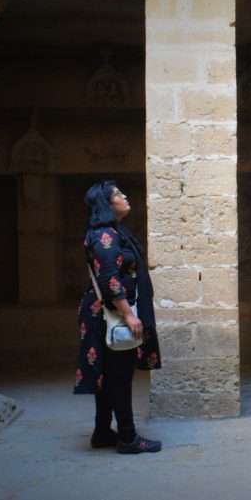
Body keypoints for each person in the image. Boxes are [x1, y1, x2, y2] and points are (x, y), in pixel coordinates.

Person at [74, 180, 163, 453]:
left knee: (109, 374)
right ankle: (127, 437)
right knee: (120, 376)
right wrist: (128, 316)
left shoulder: (114, 232)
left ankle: (102, 432)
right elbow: (109, 278)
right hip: (110, 314)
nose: (124, 196)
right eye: (117, 194)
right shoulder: (104, 235)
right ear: (106, 204)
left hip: (107, 312)